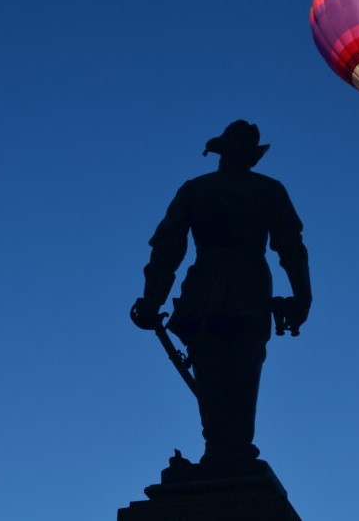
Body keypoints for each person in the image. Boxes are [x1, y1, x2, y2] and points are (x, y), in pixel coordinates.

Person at [131, 120, 312, 471]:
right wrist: (303, 296)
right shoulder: (268, 190)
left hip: (207, 287)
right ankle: (230, 447)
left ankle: (221, 446)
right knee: (241, 369)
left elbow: (167, 248)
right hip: (247, 287)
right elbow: (291, 246)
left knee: (215, 368)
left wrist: (153, 299)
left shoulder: (196, 190)